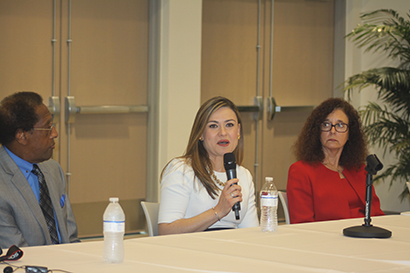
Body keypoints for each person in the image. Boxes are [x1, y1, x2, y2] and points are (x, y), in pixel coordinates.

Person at [158, 96, 259, 235]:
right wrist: (218, 211)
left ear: (238, 131)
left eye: (229, 125)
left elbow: (251, 233)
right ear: (201, 134)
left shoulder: (243, 175)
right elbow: (166, 231)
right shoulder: (181, 170)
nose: (223, 133)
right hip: (191, 251)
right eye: (213, 126)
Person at [0, 91, 79, 248]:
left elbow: (71, 238)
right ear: (22, 136)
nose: (55, 134)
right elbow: (17, 254)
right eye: (48, 127)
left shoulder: (52, 168)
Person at [287, 98, 384, 224]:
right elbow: (302, 223)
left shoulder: (359, 170)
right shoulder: (301, 171)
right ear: (317, 131)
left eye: (340, 125)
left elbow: (377, 215)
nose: (332, 131)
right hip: (326, 240)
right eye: (326, 125)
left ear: (350, 133)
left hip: (365, 238)